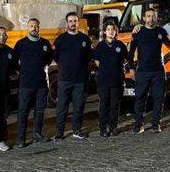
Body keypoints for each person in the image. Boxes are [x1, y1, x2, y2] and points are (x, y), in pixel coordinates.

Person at [129, 8, 169, 134]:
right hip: (142, 71)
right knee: (140, 98)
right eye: (148, 16)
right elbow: (131, 52)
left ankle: (156, 124)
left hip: (158, 71)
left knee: (159, 98)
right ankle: (138, 125)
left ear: (156, 18)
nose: (151, 18)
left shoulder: (161, 31)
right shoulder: (138, 32)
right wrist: (131, 68)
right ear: (144, 18)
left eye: (153, 16)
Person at [14, 18, 54, 147]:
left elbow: (48, 59)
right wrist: (21, 71)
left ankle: (37, 134)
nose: (34, 28)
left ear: (39, 27)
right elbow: (14, 61)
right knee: (23, 111)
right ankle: (21, 138)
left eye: (36, 26)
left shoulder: (45, 43)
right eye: (31, 26)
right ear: (28, 27)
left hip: (41, 84)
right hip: (26, 84)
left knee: (40, 111)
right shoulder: (21, 44)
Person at [53, 12, 93, 140]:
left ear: (78, 22)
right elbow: (55, 56)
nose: (72, 23)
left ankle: (77, 130)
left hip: (80, 80)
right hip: (64, 79)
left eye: (75, 21)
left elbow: (89, 56)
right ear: (67, 23)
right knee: (62, 107)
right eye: (70, 21)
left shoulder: (85, 39)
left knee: (78, 106)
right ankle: (60, 132)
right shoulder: (60, 39)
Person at [93, 22, 128, 137]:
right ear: (104, 32)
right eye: (108, 29)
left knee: (114, 105)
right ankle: (103, 128)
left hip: (116, 80)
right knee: (104, 104)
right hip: (103, 80)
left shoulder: (120, 45)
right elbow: (97, 61)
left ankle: (113, 127)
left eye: (113, 29)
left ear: (115, 31)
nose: (110, 31)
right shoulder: (100, 46)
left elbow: (124, 60)